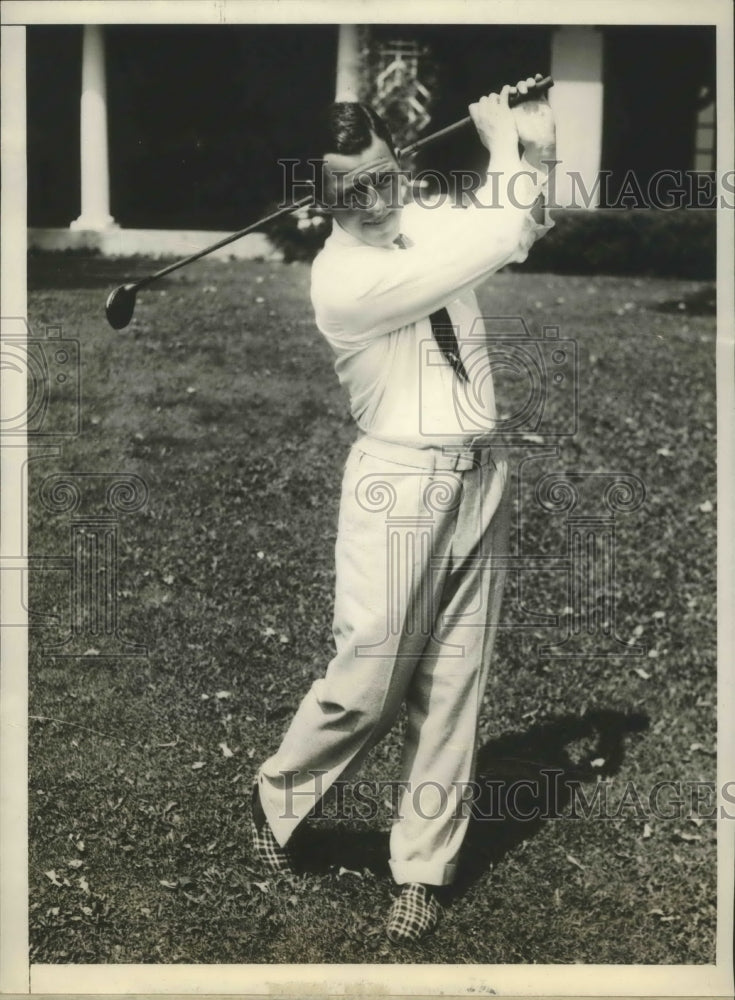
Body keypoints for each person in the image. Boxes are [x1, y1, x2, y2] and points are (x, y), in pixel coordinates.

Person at [252, 77, 556, 942]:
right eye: (352, 189)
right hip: (399, 483)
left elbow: (522, 228)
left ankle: (420, 868)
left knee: (453, 684)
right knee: (367, 685)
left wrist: (536, 149)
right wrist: (500, 148)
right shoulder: (343, 280)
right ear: (321, 198)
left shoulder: (423, 222)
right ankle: (277, 796)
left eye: (384, 176)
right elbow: (497, 235)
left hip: (480, 473)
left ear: (399, 163)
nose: (377, 200)